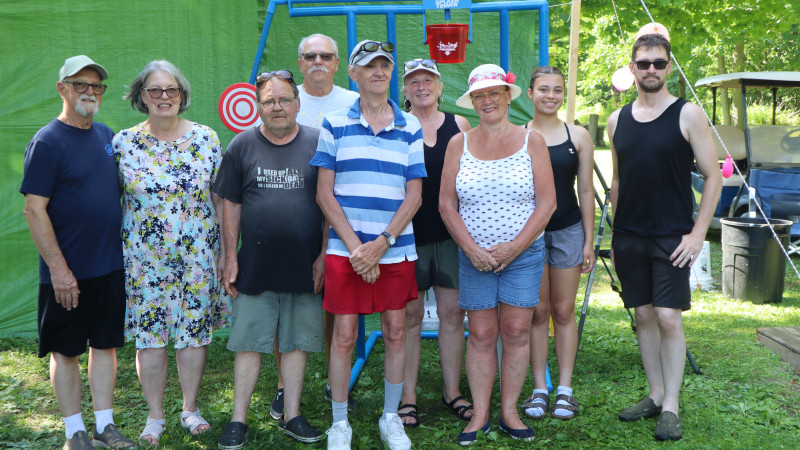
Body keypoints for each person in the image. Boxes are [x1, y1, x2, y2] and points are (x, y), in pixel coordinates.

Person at [311, 39, 425, 450]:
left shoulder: (410, 125)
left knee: (396, 330)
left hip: (394, 246)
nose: (379, 72)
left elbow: (414, 195)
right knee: (343, 335)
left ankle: (390, 417)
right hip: (347, 248)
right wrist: (358, 247)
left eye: (385, 65)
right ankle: (340, 424)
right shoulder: (334, 122)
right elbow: (325, 193)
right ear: (354, 74)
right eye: (369, 66)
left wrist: (381, 243)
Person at [607, 32, 721, 441]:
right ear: (632, 68)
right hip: (629, 236)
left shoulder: (688, 114)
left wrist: (697, 234)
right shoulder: (616, 120)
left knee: (669, 317)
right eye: (643, 63)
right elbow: (618, 181)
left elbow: (713, 178)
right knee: (643, 316)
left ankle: (671, 405)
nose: (651, 70)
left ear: (669, 67)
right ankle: (654, 394)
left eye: (658, 63)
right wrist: (616, 236)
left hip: (673, 236)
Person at [20, 55, 135, 449]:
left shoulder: (107, 137)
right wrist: (59, 270)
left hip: (109, 267)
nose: (89, 92)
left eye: (96, 86)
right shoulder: (47, 141)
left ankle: (104, 426)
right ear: (62, 89)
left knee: (105, 346)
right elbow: (34, 209)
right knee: (65, 351)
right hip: (66, 272)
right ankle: (75, 433)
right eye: (80, 84)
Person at [112, 60, 229, 446]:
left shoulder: (207, 139)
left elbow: (221, 199)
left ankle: (190, 409)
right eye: (155, 90)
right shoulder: (123, 144)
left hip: (198, 258)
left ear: (182, 95)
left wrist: (227, 253)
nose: (164, 97)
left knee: (194, 336)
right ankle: (155, 416)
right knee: (152, 339)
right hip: (145, 263)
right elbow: (110, 201)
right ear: (140, 97)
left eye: (171, 90)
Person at [439, 63, 555, 445]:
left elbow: (547, 204)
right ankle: (481, 412)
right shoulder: (459, 143)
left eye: (494, 93)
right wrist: (471, 249)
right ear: (472, 101)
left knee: (518, 331)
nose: (487, 100)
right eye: (479, 95)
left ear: (508, 96)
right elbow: (445, 206)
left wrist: (515, 246)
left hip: (522, 255)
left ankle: (509, 411)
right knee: (482, 333)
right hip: (475, 258)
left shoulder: (531, 140)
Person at [215, 69, 326, 449]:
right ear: (258, 107)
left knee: (296, 343)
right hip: (254, 264)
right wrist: (230, 256)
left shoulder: (318, 142)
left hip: (304, 263)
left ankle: (292, 414)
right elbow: (230, 204)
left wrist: (325, 256)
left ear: (297, 103)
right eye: (269, 101)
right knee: (248, 343)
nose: (277, 107)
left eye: (284, 100)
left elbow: (329, 204)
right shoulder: (241, 145)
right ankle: (238, 419)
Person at [266, 33, 360, 422]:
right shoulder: (283, 100)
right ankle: (284, 386)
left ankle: (333, 381)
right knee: (285, 303)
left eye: (326, 55)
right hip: (291, 217)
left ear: (337, 63)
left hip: (341, 215)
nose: (318, 61)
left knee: (339, 307)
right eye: (310, 56)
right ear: (300, 62)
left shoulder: (354, 103)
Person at [397, 58, 473, 428]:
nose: (422, 87)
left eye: (428, 80)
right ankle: (407, 395)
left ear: (441, 86)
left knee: (452, 315)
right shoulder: (397, 125)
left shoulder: (459, 125)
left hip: (449, 235)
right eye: (414, 81)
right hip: (408, 235)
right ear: (406, 90)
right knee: (409, 318)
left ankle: (451, 390)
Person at [521, 66, 595, 421]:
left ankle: (565, 389)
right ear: (530, 93)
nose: (550, 96)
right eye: (543, 89)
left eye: (557, 90)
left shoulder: (577, 135)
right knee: (537, 312)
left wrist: (589, 240)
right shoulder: (518, 136)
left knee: (563, 312)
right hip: (530, 234)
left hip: (568, 230)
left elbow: (586, 191)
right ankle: (539, 388)